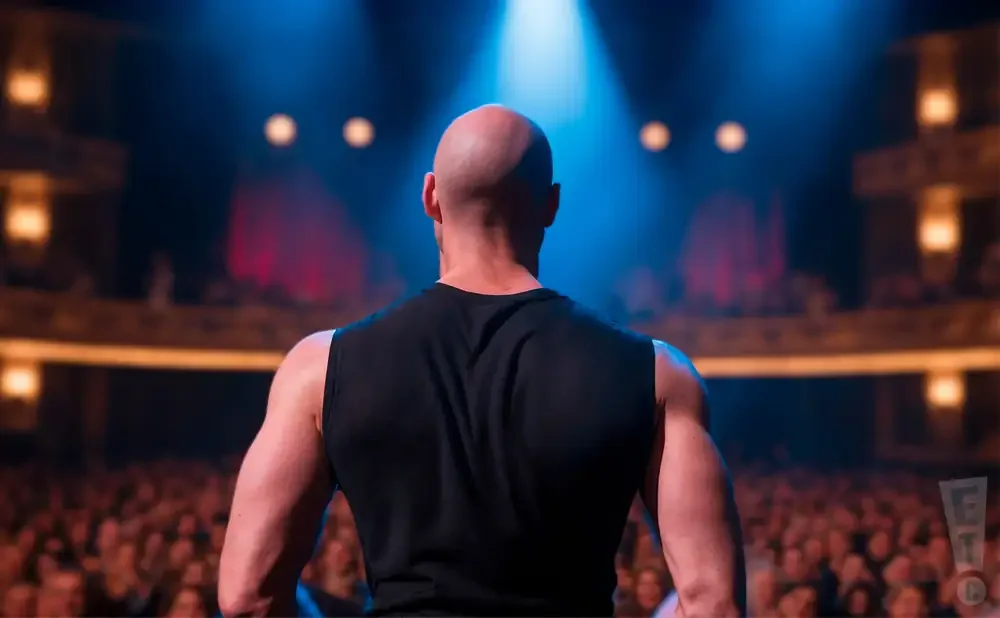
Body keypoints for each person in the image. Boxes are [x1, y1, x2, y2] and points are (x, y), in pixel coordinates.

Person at [218, 104, 746, 617]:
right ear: (551, 205)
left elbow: (247, 598)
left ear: (430, 197)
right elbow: (714, 604)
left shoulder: (319, 366)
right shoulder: (656, 373)